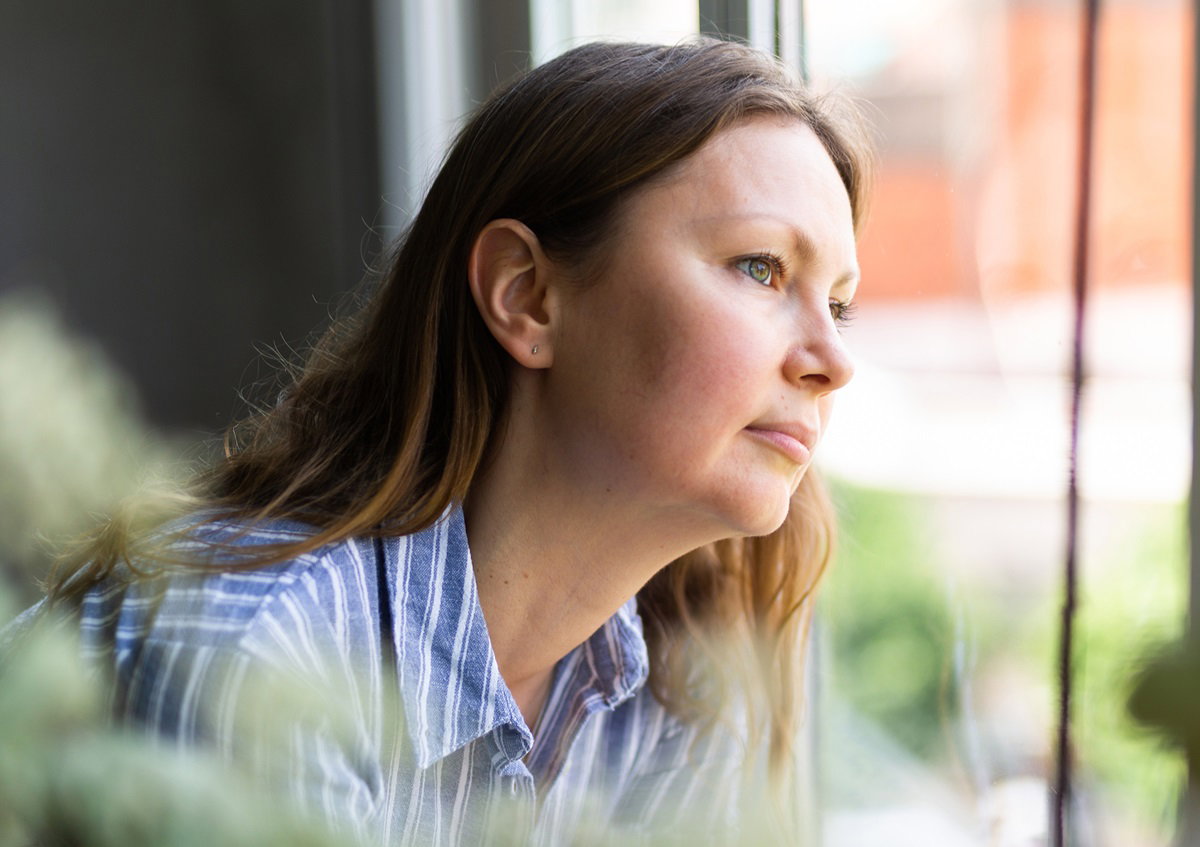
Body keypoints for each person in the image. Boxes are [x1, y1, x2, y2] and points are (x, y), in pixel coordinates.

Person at [14, 37, 870, 845]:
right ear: (526, 295)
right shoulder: (267, 643)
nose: (834, 361)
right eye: (761, 266)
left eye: (838, 304)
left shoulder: (683, 698)